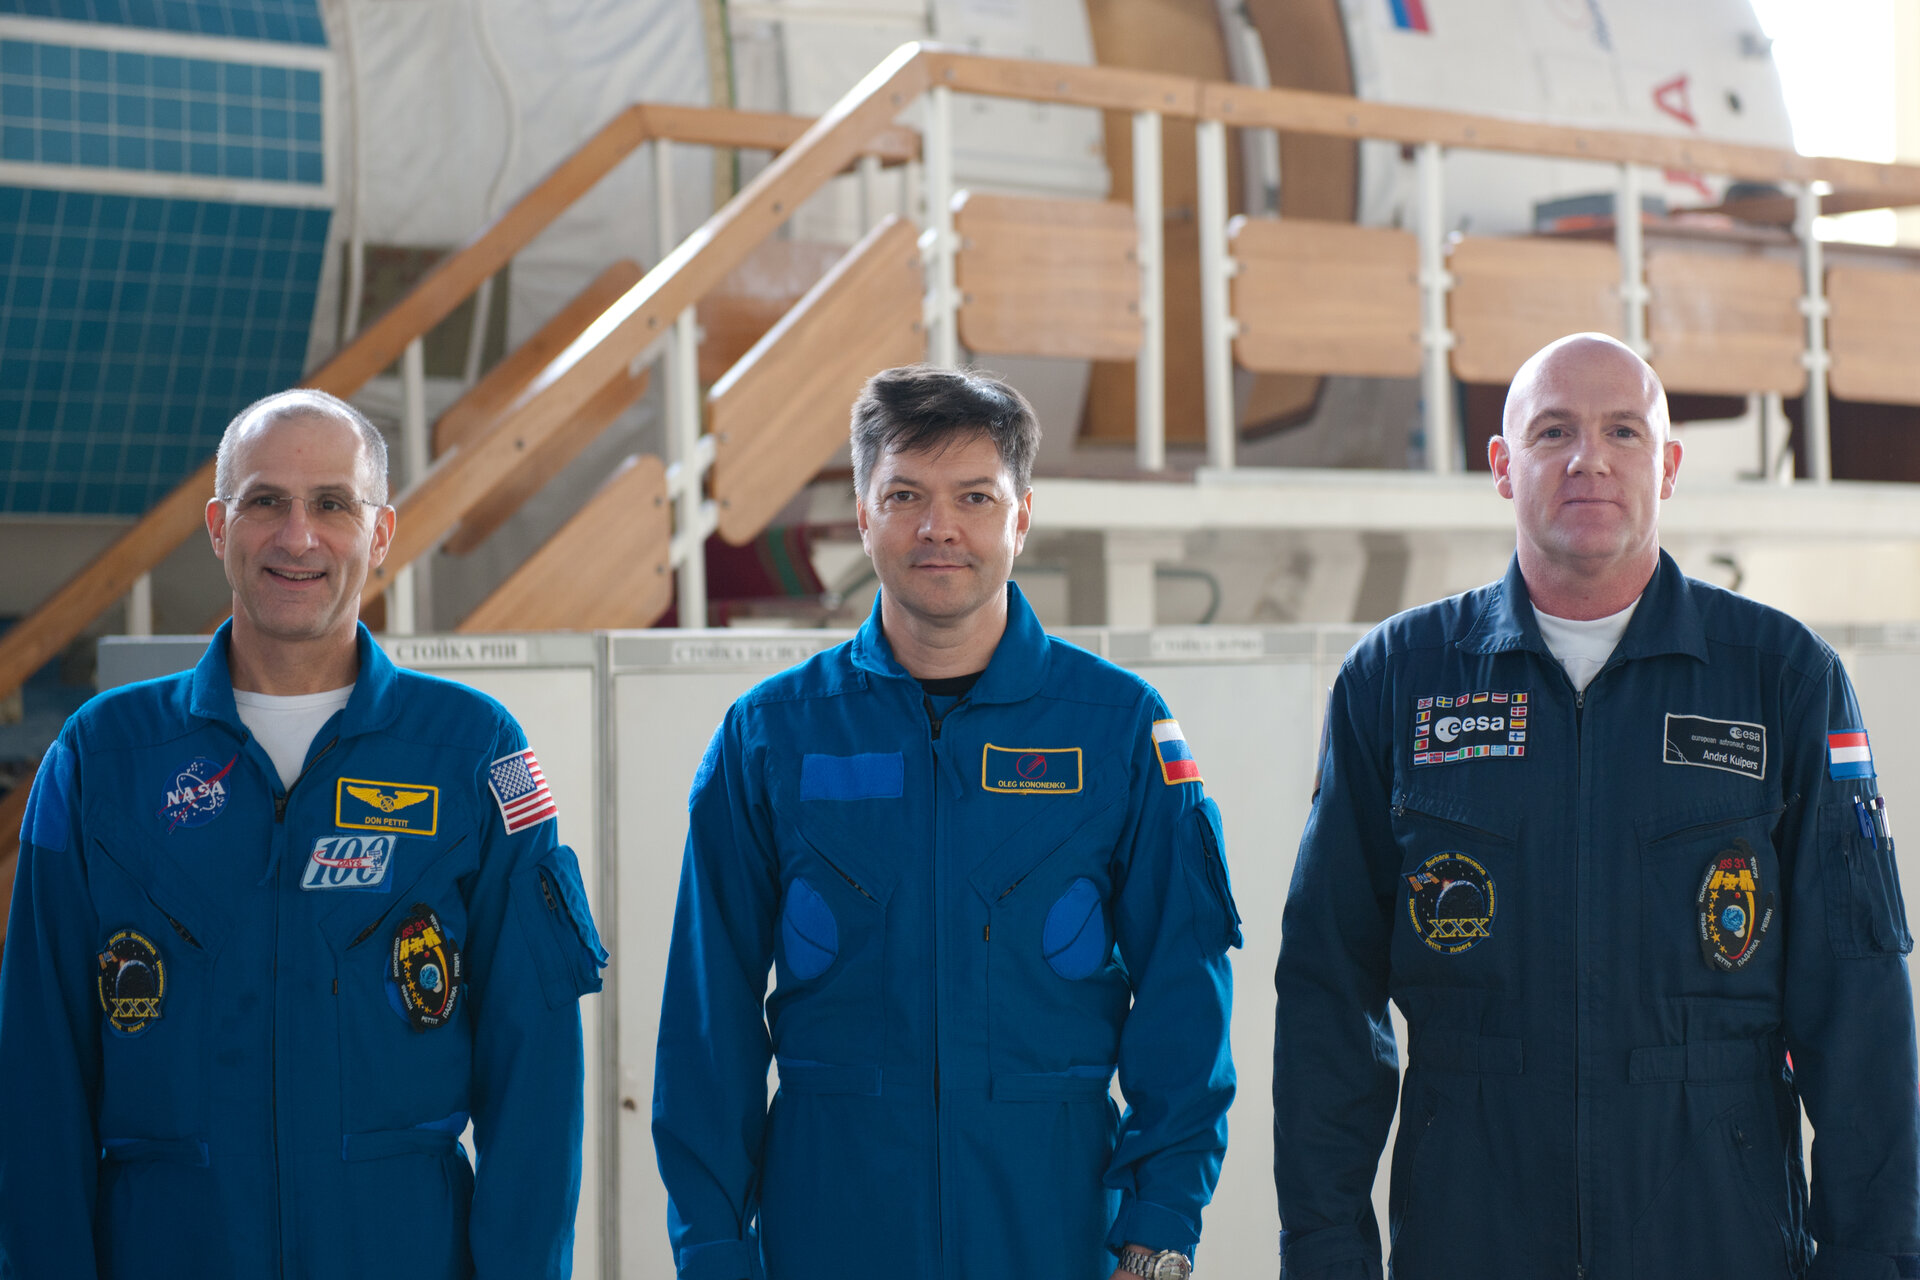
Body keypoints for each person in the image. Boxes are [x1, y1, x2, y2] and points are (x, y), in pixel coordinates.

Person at [1272, 332, 1920, 1278]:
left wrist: (1874, 1261)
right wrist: (1325, 1253)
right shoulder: (1397, 682)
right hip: (1472, 1230)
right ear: (1501, 466)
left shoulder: (1782, 679)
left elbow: (1857, 1009)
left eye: (1623, 431)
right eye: (1553, 432)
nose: (1590, 459)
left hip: (1717, 1236)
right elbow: (1330, 996)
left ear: (1668, 466)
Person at [0, 389, 608, 1279]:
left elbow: (537, 1071)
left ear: (382, 530)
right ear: (218, 526)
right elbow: (38, 1068)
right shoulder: (104, 756)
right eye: (264, 502)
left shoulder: (473, 750)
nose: (298, 537)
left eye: (332, 504)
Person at [652, 365, 1241, 1280]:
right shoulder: (771, 736)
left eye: (974, 495)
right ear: (861, 512)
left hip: (1053, 1227)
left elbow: (1184, 991)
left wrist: (1162, 1225)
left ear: (1021, 514)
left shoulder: (1118, 728)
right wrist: (715, 1249)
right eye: (904, 496)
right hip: (832, 1228)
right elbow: (707, 1024)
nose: (939, 528)